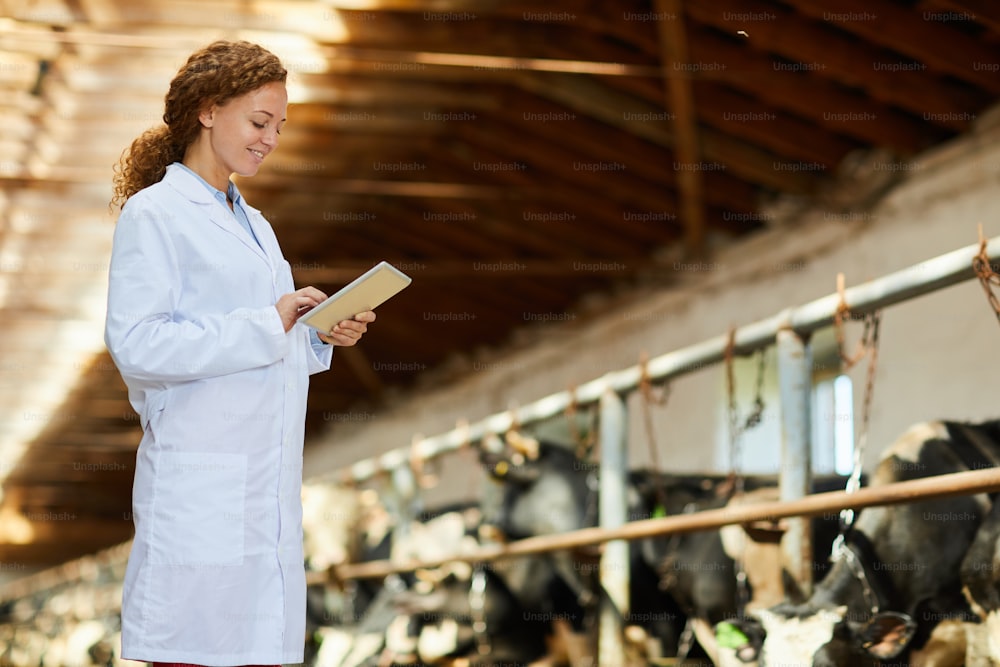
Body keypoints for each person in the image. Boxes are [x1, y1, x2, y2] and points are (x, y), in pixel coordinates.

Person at [104, 40, 375, 667]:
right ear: (207, 110)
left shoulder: (257, 225)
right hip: (201, 488)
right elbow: (137, 343)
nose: (270, 139)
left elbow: (267, 343)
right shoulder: (156, 214)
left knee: (258, 647)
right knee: (196, 648)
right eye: (259, 122)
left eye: (279, 127)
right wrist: (265, 322)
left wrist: (316, 332)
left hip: (263, 485)